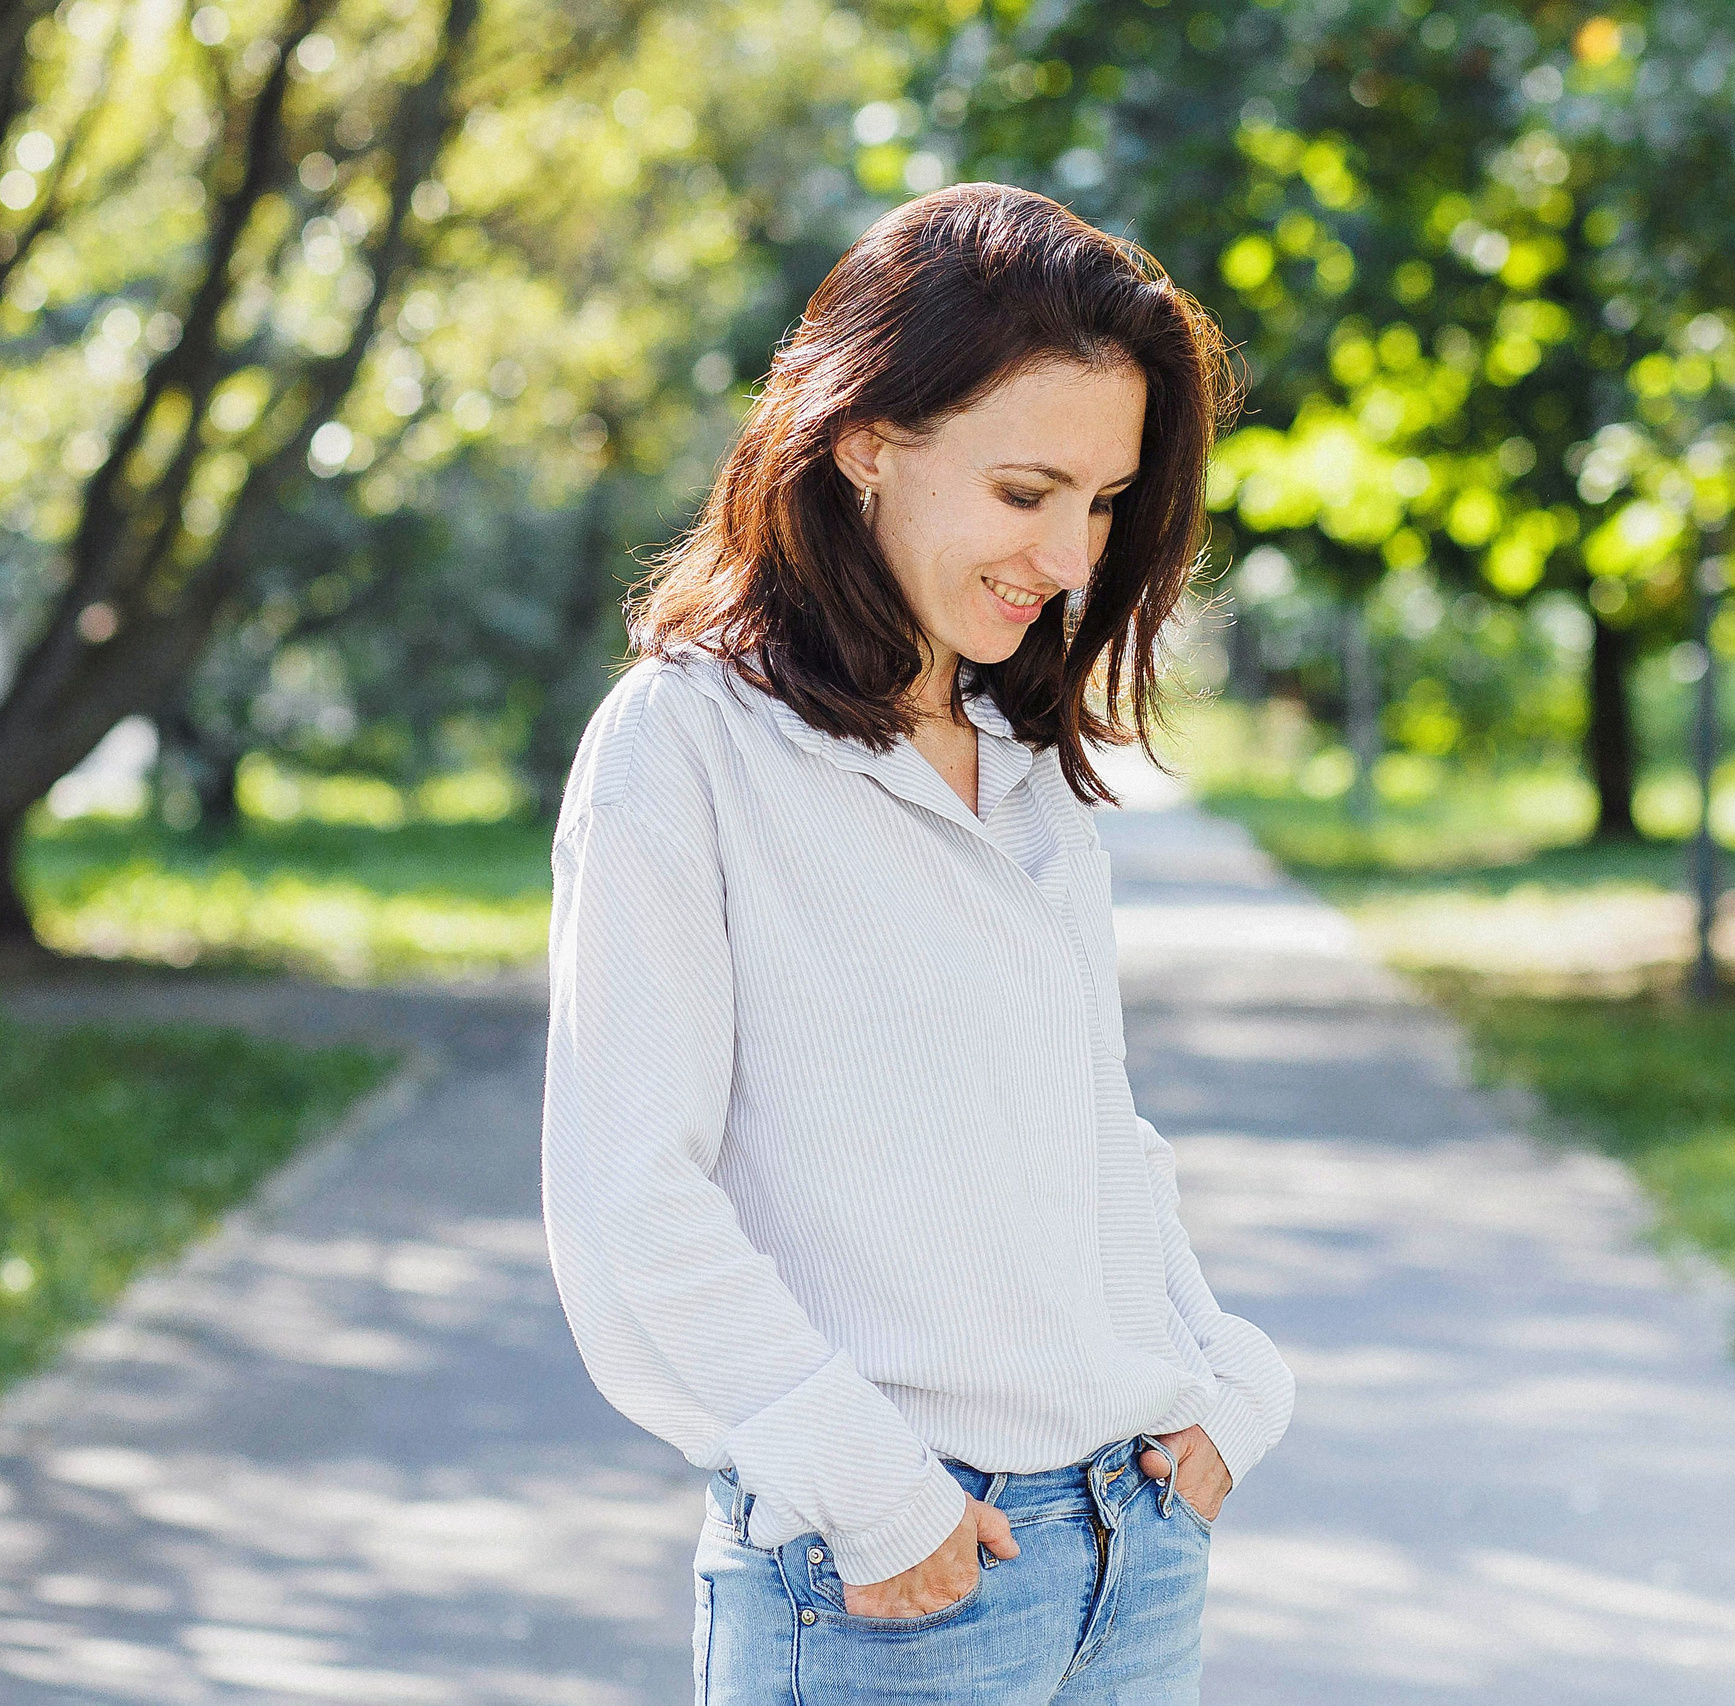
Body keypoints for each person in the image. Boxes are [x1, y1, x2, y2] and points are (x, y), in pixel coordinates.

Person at [539, 182, 1294, 1704]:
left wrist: (1224, 1380)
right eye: (1026, 493)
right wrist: (870, 1488)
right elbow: (637, 1188)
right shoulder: (684, 746)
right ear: (869, 439)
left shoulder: (1021, 764)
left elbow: (1088, 1129)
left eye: (1101, 502)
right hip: (898, 1578)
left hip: (1130, 1546)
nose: (1072, 557)